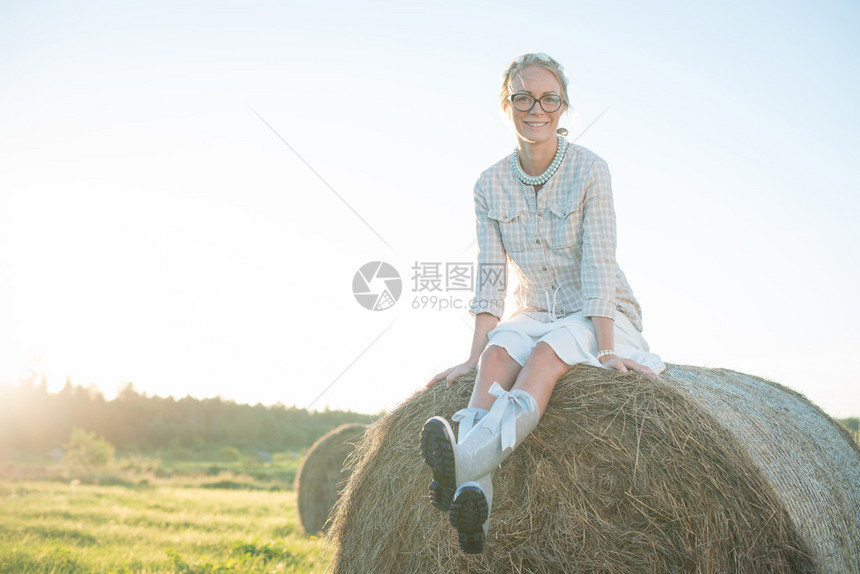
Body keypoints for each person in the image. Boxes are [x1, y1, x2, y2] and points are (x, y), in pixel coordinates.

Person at [419, 52, 666, 554]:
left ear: (564, 105)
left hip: (598, 309)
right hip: (531, 308)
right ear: (506, 104)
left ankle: (466, 464)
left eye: (550, 97)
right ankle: (476, 500)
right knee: (496, 355)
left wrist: (605, 349)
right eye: (524, 97)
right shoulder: (488, 184)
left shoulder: (591, 171)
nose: (537, 107)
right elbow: (491, 274)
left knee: (547, 354)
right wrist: (472, 355)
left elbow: (599, 262)